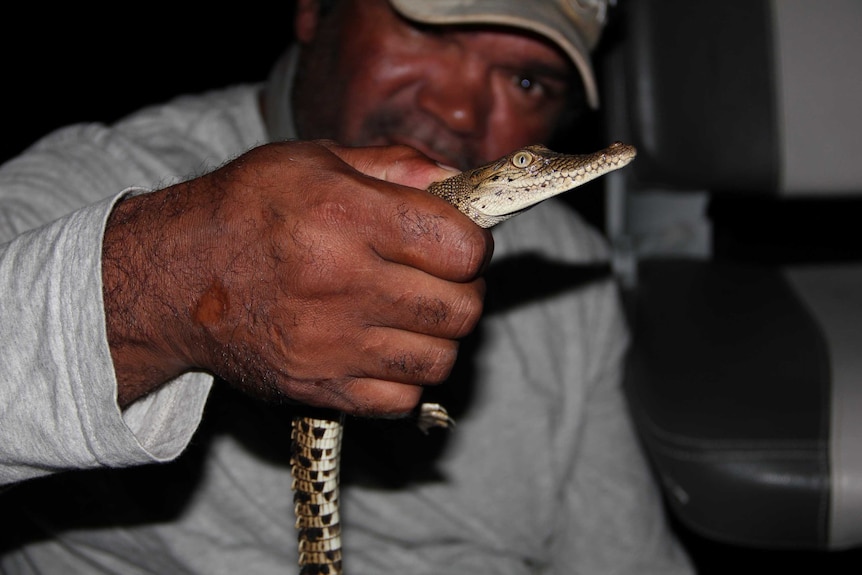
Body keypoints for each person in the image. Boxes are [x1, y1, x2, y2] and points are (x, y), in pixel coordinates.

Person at [0, 0, 693, 573]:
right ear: (315, 9)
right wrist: (173, 283)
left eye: (527, 83)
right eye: (432, 29)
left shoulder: (571, 267)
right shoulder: (102, 184)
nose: (458, 110)